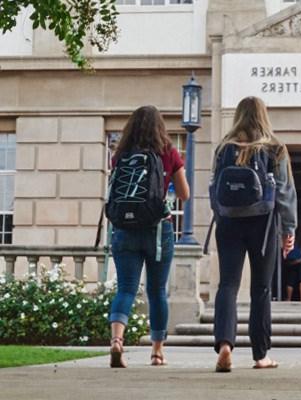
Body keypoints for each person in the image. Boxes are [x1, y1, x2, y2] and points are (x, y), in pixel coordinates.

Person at [211, 96, 297, 372]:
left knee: (227, 285)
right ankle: (261, 355)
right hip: (263, 223)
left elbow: (214, 188)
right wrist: (289, 228)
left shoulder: (224, 147)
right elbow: (284, 191)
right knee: (261, 288)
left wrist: (221, 214)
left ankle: (225, 344)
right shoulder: (275, 148)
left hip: (228, 223)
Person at [108, 105, 190, 367]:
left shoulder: (121, 154)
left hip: (124, 228)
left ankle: (117, 341)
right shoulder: (168, 152)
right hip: (157, 229)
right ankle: (157, 352)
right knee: (157, 292)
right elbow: (184, 194)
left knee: (126, 288)